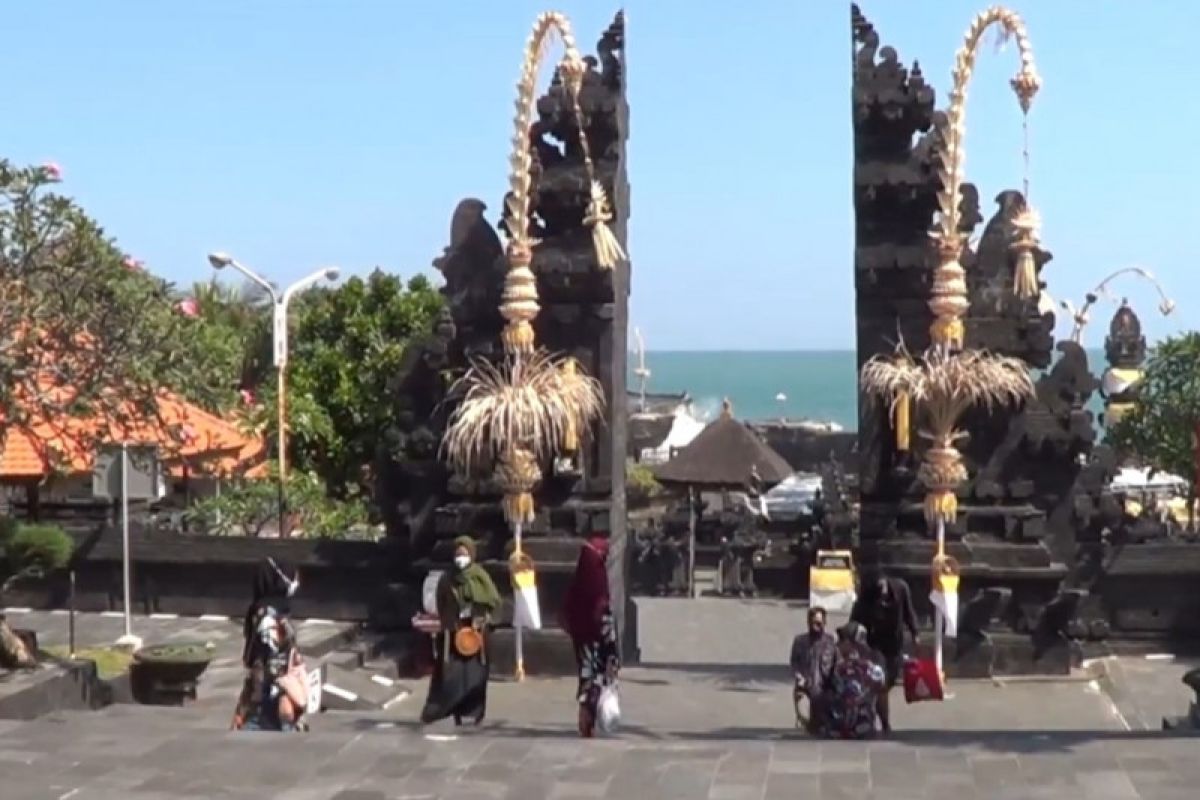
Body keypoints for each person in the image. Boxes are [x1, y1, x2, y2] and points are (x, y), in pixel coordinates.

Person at [420, 536, 501, 726]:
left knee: (475, 675)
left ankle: (473, 712)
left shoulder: (480, 576)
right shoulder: (447, 578)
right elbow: (441, 602)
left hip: (476, 633)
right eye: (458, 554)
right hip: (453, 633)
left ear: (472, 555)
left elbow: (494, 601)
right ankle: (443, 709)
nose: (460, 558)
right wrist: (449, 621)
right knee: (450, 675)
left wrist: (482, 619)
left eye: (464, 554)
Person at [232, 557, 309, 732]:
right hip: (272, 705)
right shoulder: (269, 617)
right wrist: (285, 695)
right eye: (291, 577)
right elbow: (274, 663)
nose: (295, 582)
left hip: (264, 700)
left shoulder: (268, 612)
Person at [560, 534, 620, 738]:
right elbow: (602, 609)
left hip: (581, 637)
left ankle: (585, 715)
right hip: (597, 636)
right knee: (598, 676)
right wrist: (611, 643)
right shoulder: (598, 576)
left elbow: (567, 609)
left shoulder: (579, 578)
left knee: (587, 675)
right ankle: (589, 717)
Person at [850, 572, 919, 733]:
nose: (881, 594)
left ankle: (876, 708)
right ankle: (884, 722)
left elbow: (909, 612)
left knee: (890, 680)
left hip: (894, 642)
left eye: (883, 590)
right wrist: (852, 637)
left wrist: (915, 632)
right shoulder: (867, 594)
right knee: (881, 681)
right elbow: (856, 616)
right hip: (875, 642)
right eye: (877, 591)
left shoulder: (901, 588)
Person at [821, 621, 886, 739]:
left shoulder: (872, 660)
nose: (838, 643)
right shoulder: (836, 660)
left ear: (854, 643)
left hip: (862, 720)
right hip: (838, 720)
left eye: (843, 640)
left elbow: (880, 684)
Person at [789, 606, 836, 734]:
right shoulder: (800, 641)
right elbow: (794, 663)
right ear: (808, 622)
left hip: (825, 689)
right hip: (805, 689)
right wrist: (799, 676)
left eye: (819, 623)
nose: (816, 626)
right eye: (813, 622)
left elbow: (837, 664)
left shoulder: (831, 642)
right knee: (806, 719)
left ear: (825, 623)